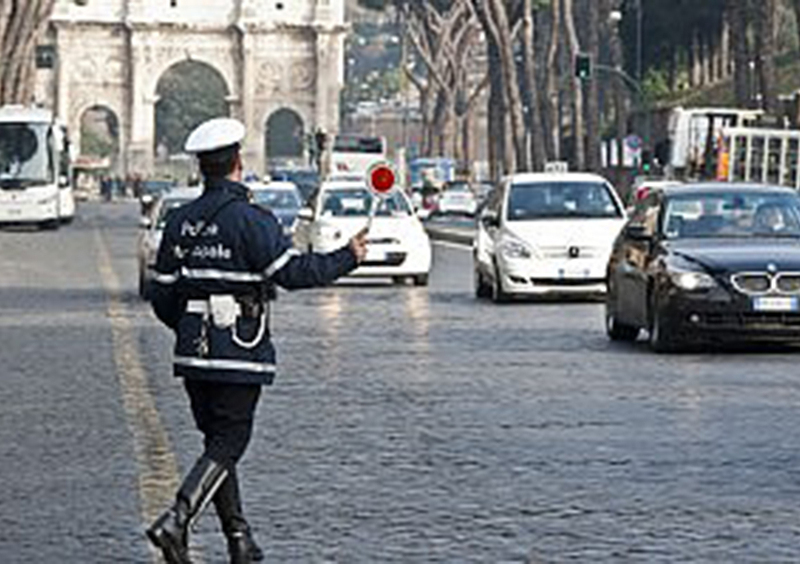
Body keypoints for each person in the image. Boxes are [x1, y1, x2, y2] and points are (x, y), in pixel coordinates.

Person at [146, 117, 368, 564]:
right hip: (240, 349)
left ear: (201, 167)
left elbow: (161, 292)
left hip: (193, 353)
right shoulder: (253, 220)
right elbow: (293, 274)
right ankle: (176, 518)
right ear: (237, 164)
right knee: (230, 441)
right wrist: (348, 257)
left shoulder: (181, 221)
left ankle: (239, 540)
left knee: (217, 444)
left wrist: (190, 327)